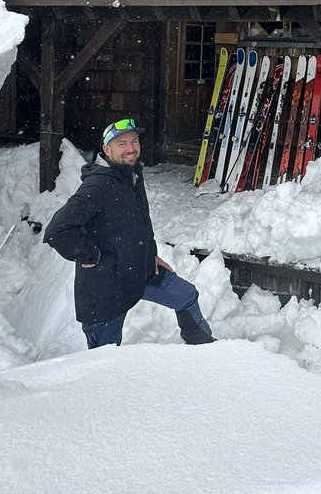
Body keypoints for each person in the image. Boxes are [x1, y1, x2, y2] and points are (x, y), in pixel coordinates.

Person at [44, 117, 216, 349]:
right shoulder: (98, 185)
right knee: (105, 358)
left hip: (138, 271)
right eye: (122, 143)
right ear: (107, 150)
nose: (131, 148)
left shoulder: (132, 175)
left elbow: (141, 223)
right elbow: (58, 229)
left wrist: (150, 254)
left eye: (134, 141)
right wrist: (91, 255)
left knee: (186, 296)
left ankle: (206, 350)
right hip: (105, 287)